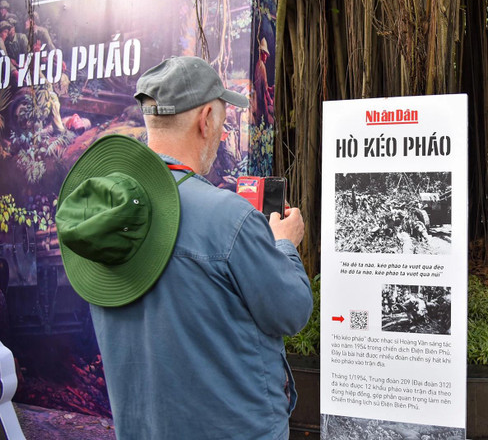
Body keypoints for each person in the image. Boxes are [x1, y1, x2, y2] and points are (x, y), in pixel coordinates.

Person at [55, 56, 312, 439]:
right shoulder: (229, 216)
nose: (221, 133)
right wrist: (284, 245)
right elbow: (291, 311)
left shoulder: (102, 215)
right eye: (223, 122)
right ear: (205, 118)